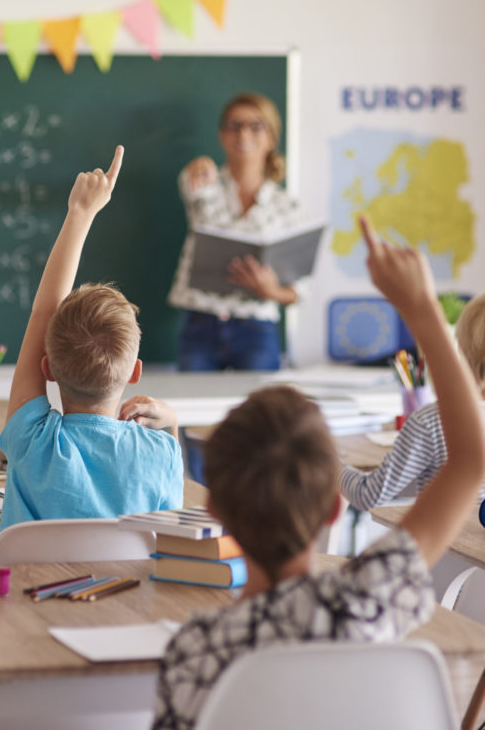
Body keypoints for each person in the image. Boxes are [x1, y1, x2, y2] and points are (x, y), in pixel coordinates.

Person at [153, 216, 485, 730]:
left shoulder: (194, 651)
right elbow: (470, 459)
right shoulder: (368, 600)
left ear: (214, 510)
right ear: (333, 505)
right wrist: (420, 308)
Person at [0, 145, 183, 531]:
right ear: (134, 371)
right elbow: (168, 537)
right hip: (128, 576)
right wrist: (172, 425)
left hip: (30, 575)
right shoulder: (161, 453)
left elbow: (42, 313)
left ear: (47, 368)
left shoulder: (33, 443)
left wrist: (79, 213)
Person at [168, 92, 308, 372]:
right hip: (200, 322)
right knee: (192, 399)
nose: (244, 133)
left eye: (256, 126)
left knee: (260, 401)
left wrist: (271, 291)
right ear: (222, 136)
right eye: (235, 126)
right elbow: (188, 182)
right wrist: (198, 166)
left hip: (257, 328)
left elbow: (299, 290)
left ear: (271, 138)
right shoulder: (203, 183)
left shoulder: (287, 206)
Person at [341, 292, 485, 510]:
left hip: (442, 532)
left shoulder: (432, 421)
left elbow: (368, 495)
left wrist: (328, 462)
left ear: (460, 351)